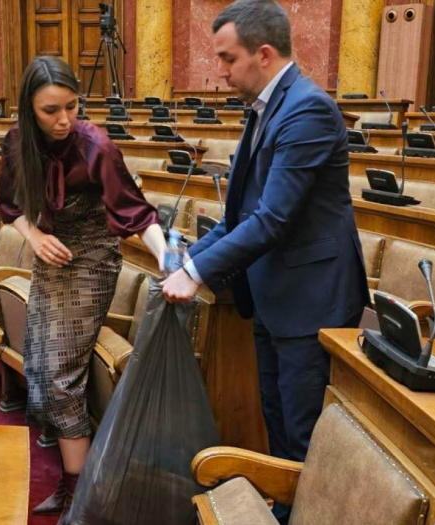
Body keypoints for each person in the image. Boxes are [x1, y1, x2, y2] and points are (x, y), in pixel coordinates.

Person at [162, 1, 369, 521]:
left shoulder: (307, 110)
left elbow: (272, 219)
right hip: (274, 295)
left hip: (311, 302)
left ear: (265, 53)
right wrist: (185, 259)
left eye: (228, 58)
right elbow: (240, 218)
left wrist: (194, 274)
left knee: (302, 435)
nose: (220, 71)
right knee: (277, 423)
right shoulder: (264, 109)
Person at [0, 55, 166, 524]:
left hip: (92, 258)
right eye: (50, 110)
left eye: (71, 106)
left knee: (59, 371)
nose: (64, 119)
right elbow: (10, 205)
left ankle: (81, 496)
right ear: (29, 108)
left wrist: (165, 256)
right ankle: (71, 481)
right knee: (37, 358)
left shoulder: (97, 146)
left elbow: (137, 214)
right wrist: (34, 236)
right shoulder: (17, 142)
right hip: (50, 255)